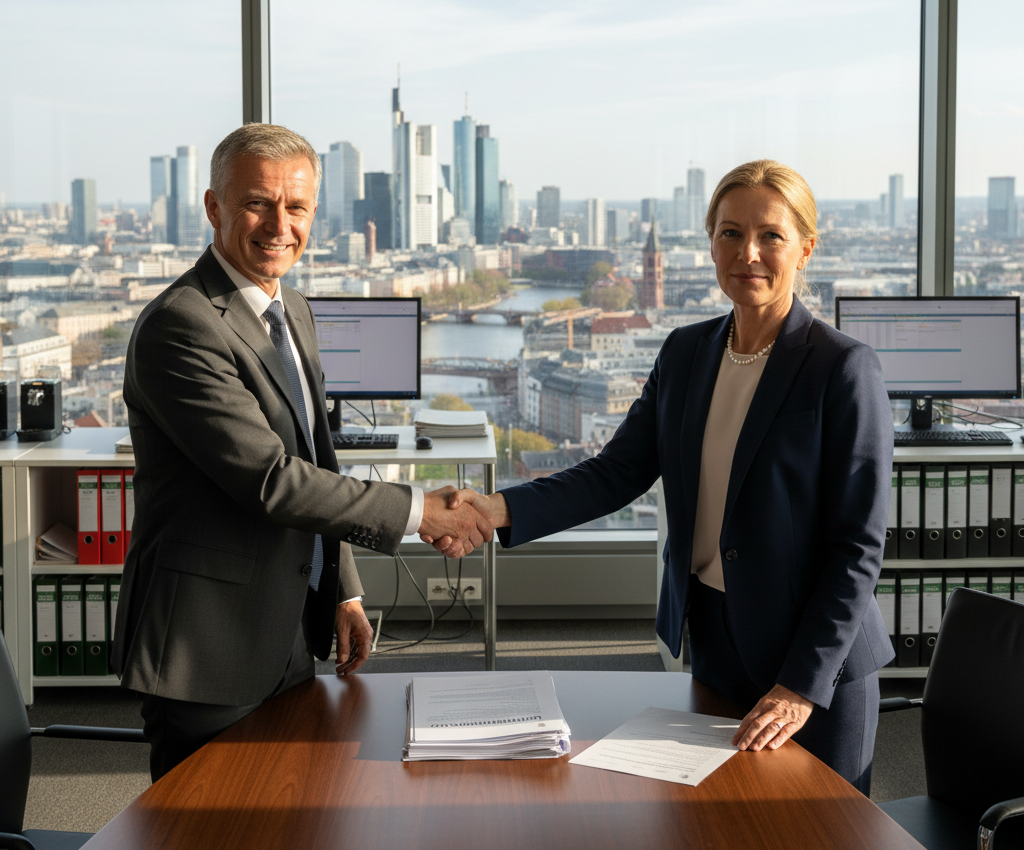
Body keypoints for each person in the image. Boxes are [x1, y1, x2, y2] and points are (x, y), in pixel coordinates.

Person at [442, 159, 894, 793]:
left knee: (821, 829)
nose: (749, 253)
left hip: (815, 661)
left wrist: (800, 685)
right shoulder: (685, 352)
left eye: (770, 235)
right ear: (710, 243)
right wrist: (497, 510)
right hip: (713, 637)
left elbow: (857, 548)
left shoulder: (843, 368)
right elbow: (615, 472)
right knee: (716, 822)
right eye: (731, 233)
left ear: (805, 248)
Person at [113, 123, 490, 781]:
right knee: (207, 822)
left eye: (297, 207)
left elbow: (316, 461)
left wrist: (342, 590)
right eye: (257, 203)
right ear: (214, 207)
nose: (279, 225)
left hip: (286, 622)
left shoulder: (293, 310)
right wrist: (420, 511)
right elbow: (271, 478)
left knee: (286, 808)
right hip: (209, 640)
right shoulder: (183, 324)